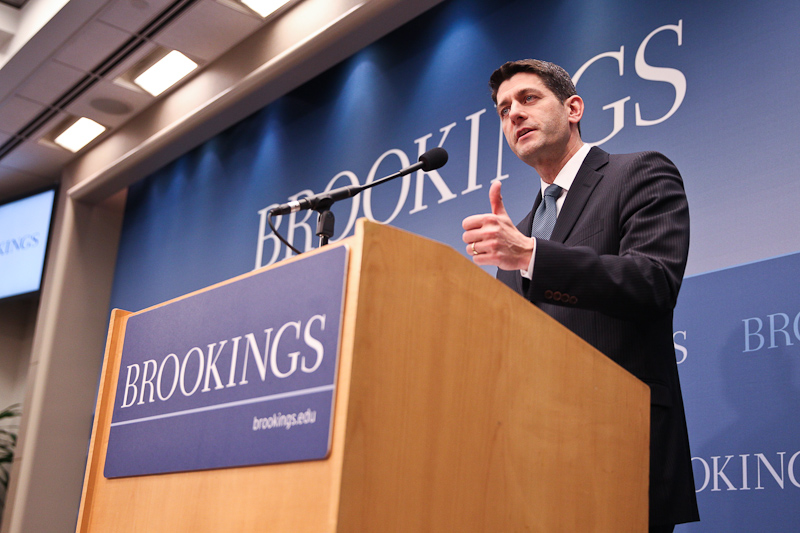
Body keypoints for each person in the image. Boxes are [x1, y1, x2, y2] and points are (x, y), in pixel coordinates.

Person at [462, 59, 699, 532]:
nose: (514, 114)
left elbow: (653, 281)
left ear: (573, 108)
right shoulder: (518, 232)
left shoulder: (638, 173)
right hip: (531, 458)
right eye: (504, 110)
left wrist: (532, 256)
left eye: (529, 99)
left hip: (619, 443)